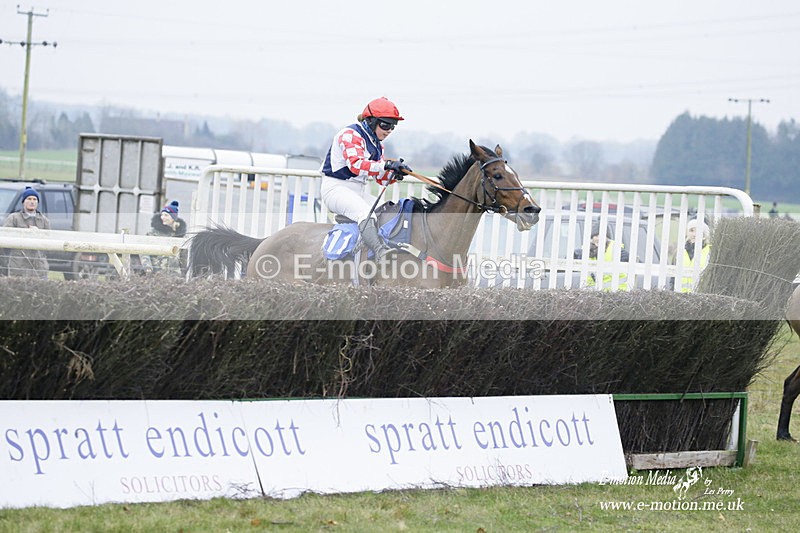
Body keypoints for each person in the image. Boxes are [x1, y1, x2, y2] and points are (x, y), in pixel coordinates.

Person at [320, 96, 413, 260]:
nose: (388, 130)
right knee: (366, 214)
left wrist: (394, 175)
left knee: (386, 212)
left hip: (357, 191)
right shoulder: (349, 134)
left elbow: (379, 178)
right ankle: (380, 251)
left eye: (392, 126)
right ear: (371, 121)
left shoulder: (377, 144)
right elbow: (355, 165)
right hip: (335, 190)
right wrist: (386, 165)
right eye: (385, 125)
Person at [2, 186, 51, 278]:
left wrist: (39, 233)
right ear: (23, 202)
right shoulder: (13, 218)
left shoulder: (44, 221)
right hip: (18, 266)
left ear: (37, 202)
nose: (32, 202)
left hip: (38, 267)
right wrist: (24, 234)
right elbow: (5, 239)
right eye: (29, 199)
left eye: (34, 199)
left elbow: (50, 242)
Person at [574, 221, 629, 290]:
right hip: (592, 293)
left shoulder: (617, 250)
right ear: (592, 238)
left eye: (601, 235)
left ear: (607, 237)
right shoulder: (586, 251)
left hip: (616, 292)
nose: (598, 238)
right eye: (596, 235)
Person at [140, 200, 187, 275]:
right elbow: (143, 251)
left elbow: (184, 256)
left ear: (173, 218)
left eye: (166, 215)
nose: (163, 217)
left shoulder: (180, 235)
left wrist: (185, 272)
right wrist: (147, 267)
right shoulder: (153, 234)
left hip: (175, 276)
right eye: (162, 215)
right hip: (157, 274)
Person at [680, 218, 711, 293]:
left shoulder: (710, 251)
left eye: (698, 231)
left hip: (700, 297)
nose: (694, 234)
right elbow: (672, 277)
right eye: (691, 230)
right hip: (679, 296)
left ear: (704, 234)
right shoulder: (680, 251)